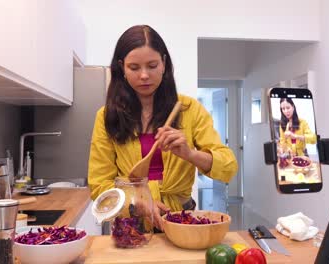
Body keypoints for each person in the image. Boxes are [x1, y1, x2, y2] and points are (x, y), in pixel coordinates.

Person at [87, 25, 238, 230]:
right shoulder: (106, 117)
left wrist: (190, 154)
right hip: (131, 223)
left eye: (152, 65)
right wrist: (138, 203)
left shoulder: (189, 109)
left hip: (180, 219)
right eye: (134, 67)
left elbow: (228, 166)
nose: (144, 75)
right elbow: (99, 185)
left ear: (164, 64)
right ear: (122, 67)